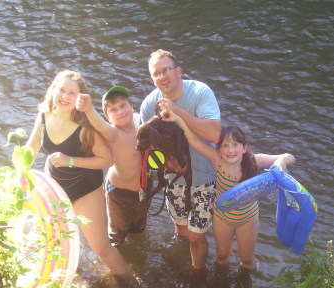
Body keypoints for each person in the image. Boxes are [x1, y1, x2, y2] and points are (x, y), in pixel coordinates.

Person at [159, 103, 296, 275]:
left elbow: (289, 157)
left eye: (235, 145)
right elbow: (192, 139)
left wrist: (281, 163)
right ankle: (221, 287)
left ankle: (245, 287)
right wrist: (177, 118)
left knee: (247, 260)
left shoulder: (255, 161)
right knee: (221, 257)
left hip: (248, 218)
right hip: (222, 217)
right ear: (219, 149)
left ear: (244, 148)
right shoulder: (217, 160)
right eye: (225, 145)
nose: (230, 150)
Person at [26, 70, 128, 276]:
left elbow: (107, 159)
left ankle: (130, 285)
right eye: (61, 90)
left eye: (71, 93)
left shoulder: (83, 126)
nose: (64, 97)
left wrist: (70, 160)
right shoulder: (44, 115)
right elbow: (32, 147)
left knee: (102, 248)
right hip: (55, 189)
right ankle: (54, 287)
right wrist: (21, 171)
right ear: (53, 90)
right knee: (52, 243)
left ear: (80, 99)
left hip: (85, 189)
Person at [140, 49, 221, 272]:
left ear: (178, 71)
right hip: (174, 179)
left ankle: (198, 274)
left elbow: (215, 134)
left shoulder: (200, 92)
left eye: (166, 70)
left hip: (205, 177)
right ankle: (182, 262)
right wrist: (164, 161)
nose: (162, 77)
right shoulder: (149, 105)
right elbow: (147, 148)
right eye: (156, 74)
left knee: (196, 236)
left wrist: (176, 111)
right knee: (182, 232)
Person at [76, 86, 150, 246]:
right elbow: (100, 125)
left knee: (138, 229)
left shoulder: (141, 121)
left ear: (132, 106)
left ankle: (137, 253)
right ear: (108, 118)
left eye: (123, 105)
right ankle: (114, 263)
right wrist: (89, 110)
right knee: (117, 234)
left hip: (144, 190)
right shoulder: (114, 134)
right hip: (120, 193)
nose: (120, 111)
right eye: (113, 110)